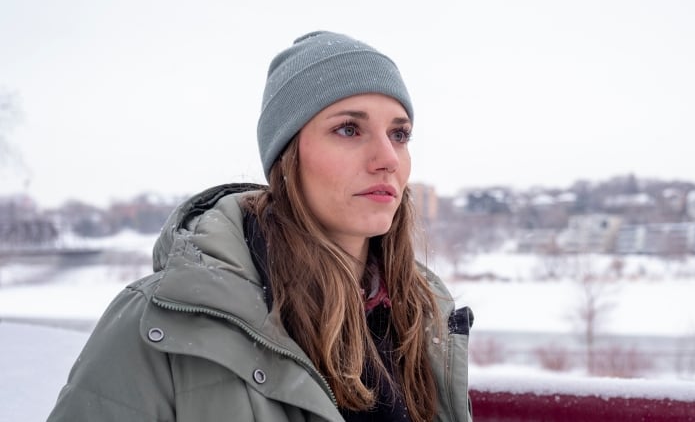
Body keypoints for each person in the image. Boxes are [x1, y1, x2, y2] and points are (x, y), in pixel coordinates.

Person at [47, 30, 473, 422]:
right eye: (348, 129)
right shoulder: (161, 320)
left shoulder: (423, 315)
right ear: (286, 156)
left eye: (399, 134)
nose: (388, 159)